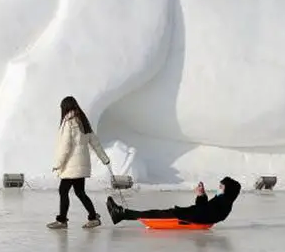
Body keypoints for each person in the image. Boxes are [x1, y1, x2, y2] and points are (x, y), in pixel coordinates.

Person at [47, 96, 112, 229]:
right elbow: (96, 143)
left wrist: (58, 164)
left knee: (63, 190)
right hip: (81, 166)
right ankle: (93, 217)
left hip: (71, 166)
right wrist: (105, 159)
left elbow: (66, 146)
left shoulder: (69, 123)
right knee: (80, 192)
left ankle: (62, 220)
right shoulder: (83, 121)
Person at [106, 176, 241, 226]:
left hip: (186, 217)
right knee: (153, 213)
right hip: (187, 215)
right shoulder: (222, 201)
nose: (219, 189)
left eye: (221, 187)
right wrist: (202, 194)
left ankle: (121, 213)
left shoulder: (224, 204)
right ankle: (121, 213)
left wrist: (200, 196)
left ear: (228, 190)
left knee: (152, 215)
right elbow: (205, 209)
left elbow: (204, 212)